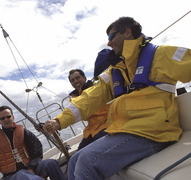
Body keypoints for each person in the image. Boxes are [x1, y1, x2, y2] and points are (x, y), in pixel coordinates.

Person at [43, 16, 191, 180]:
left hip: (156, 132)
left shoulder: (161, 54)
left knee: (86, 162)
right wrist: (59, 121)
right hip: (128, 129)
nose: (108, 43)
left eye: (111, 36)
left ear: (127, 32)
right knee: (74, 161)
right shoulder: (116, 71)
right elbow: (90, 97)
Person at [0, 105, 65, 180]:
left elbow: (37, 149)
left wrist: (31, 168)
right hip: (11, 176)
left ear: (13, 117)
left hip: (29, 168)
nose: (6, 120)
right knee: (23, 175)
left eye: (8, 117)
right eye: (2, 118)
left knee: (51, 163)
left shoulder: (23, 132)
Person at [68, 69, 109, 150]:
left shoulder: (97, 86)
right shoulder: (75, 98)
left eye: (77, 78)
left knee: (97, 149)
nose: (76, 81)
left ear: (85, 78)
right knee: (78, 154)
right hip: (91, 129)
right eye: (72, 80)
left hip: (107, 123)